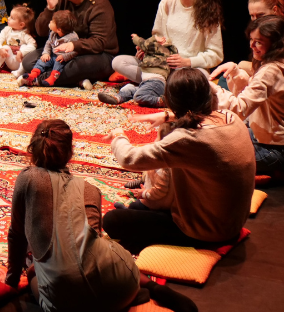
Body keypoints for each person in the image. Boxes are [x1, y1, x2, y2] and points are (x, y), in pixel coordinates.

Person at [2, 119, 197, 312]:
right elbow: (89, 250)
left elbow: (16, 235)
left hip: (65, 308)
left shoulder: (26, 179)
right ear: (70, 154)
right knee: (107, 253)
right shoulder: (90, 190)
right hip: (121, 284)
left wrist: (11, 282)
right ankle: (153, 289)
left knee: (35, 274)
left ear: (32, 150)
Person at [103, 68, 255, 254]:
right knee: (137, 207)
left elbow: (129, 159)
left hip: (207, 231)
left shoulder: (187, 139)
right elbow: (204, 116)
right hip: (232, 221)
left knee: (112, 221)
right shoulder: (231, 118)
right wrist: (168, 116)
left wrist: (118, 136)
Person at [112, 0, 224, 86]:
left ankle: (157, 84)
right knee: (118, 62)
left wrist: (187, 62)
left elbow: (215, 54)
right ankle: (163, 85)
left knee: (199, 77)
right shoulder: (166, 2)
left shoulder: (208, 12)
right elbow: (158, 36)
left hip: (188, 69)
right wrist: (149, 49)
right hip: (161, 65)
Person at [209, 15, 284, 173]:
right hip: (263, 138)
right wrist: (237, 73)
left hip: (274, 150)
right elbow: (255, 97)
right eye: (251, 39)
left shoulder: (271, 70)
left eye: (258, 42)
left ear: (275, 44)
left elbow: (239, 109)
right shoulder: (274, 65)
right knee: (213, 133)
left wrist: (210, 88)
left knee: (209, 155)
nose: (252, 45)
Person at [21, 0, 117, 89]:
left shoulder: (100, 6)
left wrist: (73, 45)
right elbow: (41, 31)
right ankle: (77, 80)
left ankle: (36, 80)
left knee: (76, 67)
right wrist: (50, 8)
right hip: (63, 51)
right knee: (28, 61)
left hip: (98, 54)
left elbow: (99, 43)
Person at [99, 34, 174, 108]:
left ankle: (164, 101)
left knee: (139, 96)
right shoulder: (160, 51)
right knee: (129, 88)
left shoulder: (155, 48)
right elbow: (145, 45)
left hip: (156, 82)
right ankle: (117, 98)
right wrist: (141, 52)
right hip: (148, 81)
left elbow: (143, 43)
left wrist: (136, 38)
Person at [113, 123, 174, 211]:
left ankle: (127, 211)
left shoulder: (162, 169)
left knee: (135, 206)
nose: (154, 140)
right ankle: (142, 181)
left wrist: (144, 193)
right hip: (153, 186)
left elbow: (160, 191)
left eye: (157, 137)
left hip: (156, 204)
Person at [20, 11, 78, 87]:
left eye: (52, 21)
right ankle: (34, 73)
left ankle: (52, 78)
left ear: (59, 29)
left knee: (58, 64)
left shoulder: (72, 38)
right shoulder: (53, 33)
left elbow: (75, 51)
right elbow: (48, 44)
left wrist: (64, 57)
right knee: (42, 60)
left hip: (62, 58)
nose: (50, 22)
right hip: (52, 55)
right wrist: (46, 53)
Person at [0, 4, 36, 77]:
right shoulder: (6, 30)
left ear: (21, 24)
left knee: (24, 46)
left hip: (21, 63)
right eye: (10, 16)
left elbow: (33, 46)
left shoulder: (25, 33)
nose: (8, 18)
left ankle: (20, 72)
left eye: (12, 18)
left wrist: (21, 52)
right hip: (11, 61)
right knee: (5, 47)